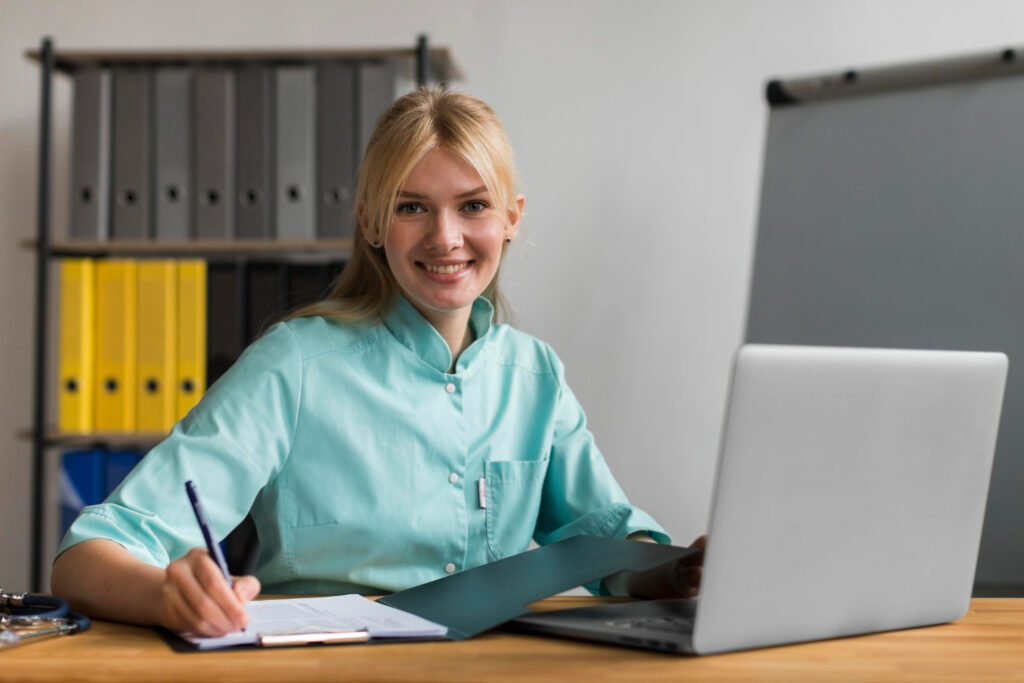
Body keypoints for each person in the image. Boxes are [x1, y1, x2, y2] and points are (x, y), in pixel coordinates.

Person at [51, 88, 704, 637]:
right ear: (370, 223)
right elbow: (84, 558)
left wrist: (678, 570)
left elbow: (609, 542)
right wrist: (167, 593)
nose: (445, 237)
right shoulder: (295, 364)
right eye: (411, 207)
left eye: (473, 205)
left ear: (511, 218)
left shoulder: (535, 376)